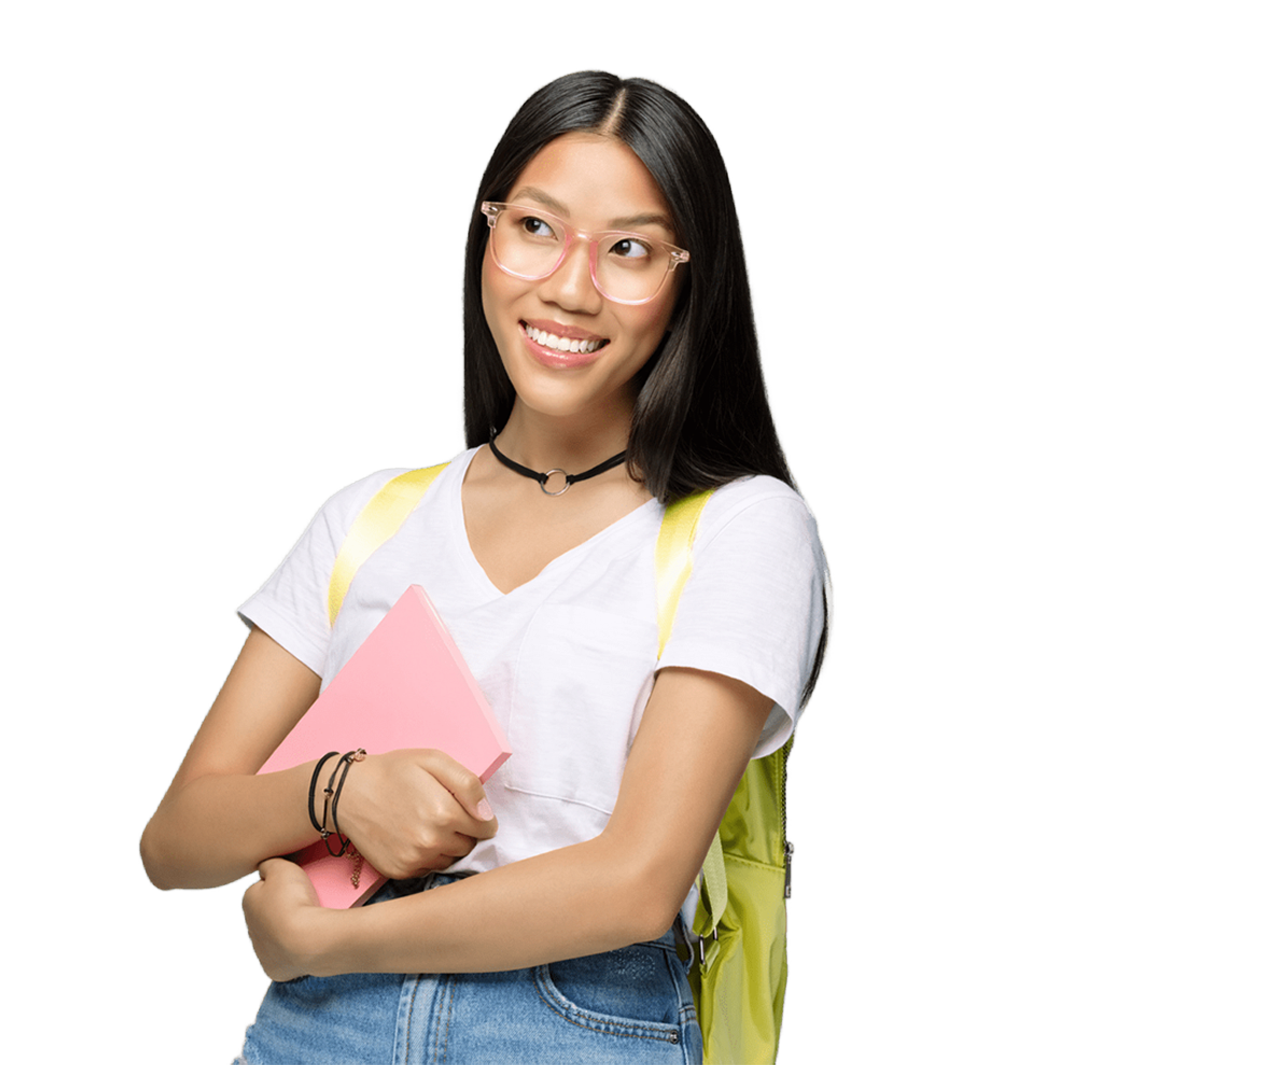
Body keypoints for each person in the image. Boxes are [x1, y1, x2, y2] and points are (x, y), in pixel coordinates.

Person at [139, 69, 830, 1063]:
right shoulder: (369, 517)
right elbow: (179, 837)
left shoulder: (739, 528)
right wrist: (336, 791)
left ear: (690, 276)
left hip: (572, 1025)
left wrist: (334, 939)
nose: (568, 285)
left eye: (628, 249)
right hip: (318, 1033)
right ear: (486, 234)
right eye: (536, 228)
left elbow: (635, 883)